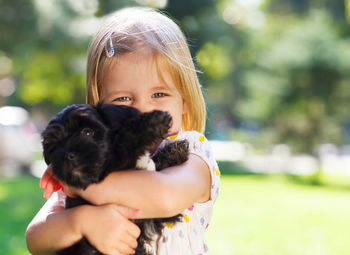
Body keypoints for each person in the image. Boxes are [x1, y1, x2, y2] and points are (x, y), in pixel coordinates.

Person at [26, 7, 220, 255]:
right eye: (124, 99)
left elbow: (164, 198)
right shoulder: (99, 158)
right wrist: (81, 221)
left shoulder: (194, 153)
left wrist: (78, 183)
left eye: (159, 94)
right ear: (100, 105)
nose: (141, 111)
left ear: (184, 100)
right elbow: (36, 239)